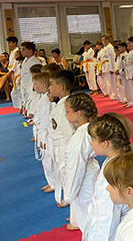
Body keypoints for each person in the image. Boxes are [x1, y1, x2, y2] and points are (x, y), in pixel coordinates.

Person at [84, 113, 133, 241]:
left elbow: (107, 219)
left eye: (92, 139)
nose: (91, 143)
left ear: (105, 143)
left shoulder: (114, 174)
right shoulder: (118, 160)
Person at [58, 93, 99, 230]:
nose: (65, 114)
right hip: (88, 177)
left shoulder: (81, 135)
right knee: (90, 214)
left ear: (78, 113)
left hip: (83, 182)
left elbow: (76, 169)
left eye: (67, 111)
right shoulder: (87, 129)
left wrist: (69, 195)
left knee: (88, 222)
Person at [49, 69, 76, 207]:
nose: (49, 87)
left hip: (65, 146)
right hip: (62, 144)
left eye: (51, 84)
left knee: (67, 172)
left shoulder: (62, 108)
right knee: (66, 173)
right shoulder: (67, 103)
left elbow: (68, 132)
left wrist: (69, 151)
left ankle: (70, 199)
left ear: (60, 87)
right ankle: (68, 196)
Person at [30, 72, 57, 193]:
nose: (33, 86)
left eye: (35, 84)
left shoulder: (47, 100)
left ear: (44, 85)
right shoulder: (44, 98)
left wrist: (43, 140)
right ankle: (51, 182)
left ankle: (54, 183)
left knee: (49, 160)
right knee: (46, 161)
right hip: (42, 132)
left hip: (46, 134)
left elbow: (46, 121)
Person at [20, 41, 41, 116]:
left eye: (23, 49)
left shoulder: (35, 62)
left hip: (32, 85)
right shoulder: (26, 60)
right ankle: (28, 111)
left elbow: (36, 76)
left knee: (34, 99)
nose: (21, 51)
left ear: (30, 50)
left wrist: (34, 86)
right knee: (27, 99)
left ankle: (33, 115)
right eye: (21, 49)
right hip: (25, 85)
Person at [100, 34, 119, 101]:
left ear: (107, 40)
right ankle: (111, 95)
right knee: (108, 82)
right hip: (105, 65)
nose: (102, 41)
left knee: (111, 82)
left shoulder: (110, 47)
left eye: (103, 40)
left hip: (109, 65)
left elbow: (111, 58)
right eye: (102, 40)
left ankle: (115, 95)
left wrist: (112, 68)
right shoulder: (105, 47)